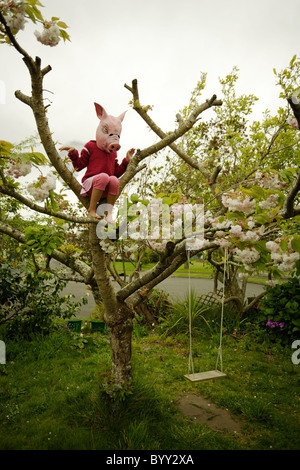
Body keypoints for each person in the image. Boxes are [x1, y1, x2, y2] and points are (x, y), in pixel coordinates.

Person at [60, 143, 135, 222]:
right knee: (103, 177)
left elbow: (116, 173)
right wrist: (73, 153)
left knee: (114, 180)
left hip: (105, 188)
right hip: (91, 185)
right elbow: (78, 166)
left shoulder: (112, 150)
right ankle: (91, 210)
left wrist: (126, 160)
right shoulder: (91, 146)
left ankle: (108, 213)